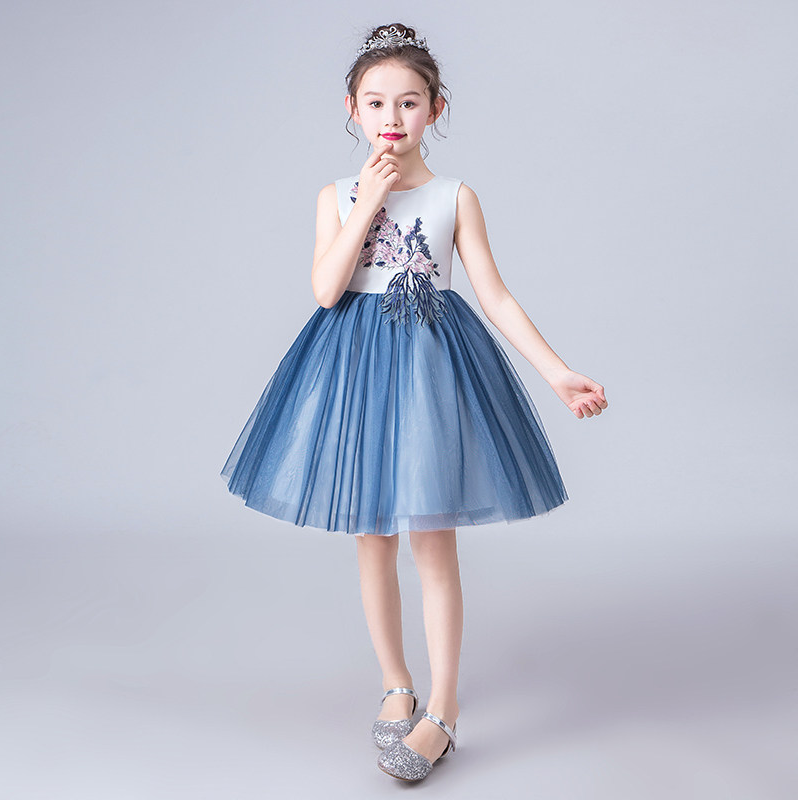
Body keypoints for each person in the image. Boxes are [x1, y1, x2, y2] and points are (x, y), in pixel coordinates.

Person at [220, 22, 608, 782]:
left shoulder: (455, 196)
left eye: (408, 101)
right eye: (375, 102)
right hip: (354, 369)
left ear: (435, 107)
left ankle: (445, 709)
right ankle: (396, 683)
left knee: (432, 536)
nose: (391, 117)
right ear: (352, 109)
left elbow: (494, 295)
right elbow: (326, 289)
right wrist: (368, 199)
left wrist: (556, 372)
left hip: (432, 369)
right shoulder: (335, 195)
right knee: (371, 534)